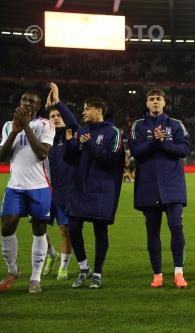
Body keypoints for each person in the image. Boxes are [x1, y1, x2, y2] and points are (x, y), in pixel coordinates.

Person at [129, 88, 190, 289]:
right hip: (149, 186)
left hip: (172, 185)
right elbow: (136, 152)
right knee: (152, 231)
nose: (155, 102)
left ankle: (178, 272)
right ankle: (157, 274)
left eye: (158, 99)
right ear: (147, 103)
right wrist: (153, 140)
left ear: (164, 103)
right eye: (151, 99)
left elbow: (184, 150)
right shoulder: (138, 125)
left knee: (175, 225)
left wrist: (163, 142)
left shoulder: (175, 124)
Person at [63, 97, 125, 289]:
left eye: (86, 109)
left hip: (102, 190)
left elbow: (112, 160)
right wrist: (70, 145)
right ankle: (84, 268)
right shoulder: (82, 131)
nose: (83, 112)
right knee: (73, 227)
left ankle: (97, 273)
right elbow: (70, 160)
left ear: (98, 110)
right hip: (81, 187)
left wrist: (89, 145)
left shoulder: (113, 132)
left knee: (100, 230)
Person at [0, 90, 55, 293]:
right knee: (7, 227)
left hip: (39, 187)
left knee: (39, 231)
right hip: (15, 186)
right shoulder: (8, 126)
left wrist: (25, 128)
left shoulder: (45, 125)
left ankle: (35, 278)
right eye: (24, 99)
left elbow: (41, 153)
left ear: (38, 107)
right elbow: (2, 157)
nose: (27, 103)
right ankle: (13, 270)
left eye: (31, 101)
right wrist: (15, 131)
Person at [42, 83, 78, 280]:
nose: (56, 118)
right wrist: (47, 107)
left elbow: (73, 123)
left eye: (59, 116)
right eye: (52, 116)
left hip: (65, 192)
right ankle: (50, 255)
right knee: (39, 230)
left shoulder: (70, 135)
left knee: (65, 230)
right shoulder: (43, 137)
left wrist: (58, 102)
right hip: (44, 191)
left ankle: (63, 266)